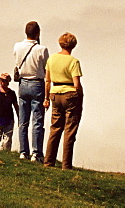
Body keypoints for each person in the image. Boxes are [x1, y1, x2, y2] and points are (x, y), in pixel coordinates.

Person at [44, 32, 84, 170]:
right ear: (73, 45)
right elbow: (76, 84)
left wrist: (46, 98)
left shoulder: (51, 59)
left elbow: (47, 80)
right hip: (70, 94)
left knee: (55, 128)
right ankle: (66, 165)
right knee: (70, 130)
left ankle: (48, 161)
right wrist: (79, 97)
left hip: (54, 93)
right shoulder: (74, 61)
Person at [13, 20, 50, 162]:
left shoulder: (17, 46)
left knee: (23, 120)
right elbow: (46, 68)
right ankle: (36, 153)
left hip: (23, 83)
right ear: (38, 33)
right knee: (37, 120)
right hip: (37, 83)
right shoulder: (42, 49)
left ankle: (23, 151)